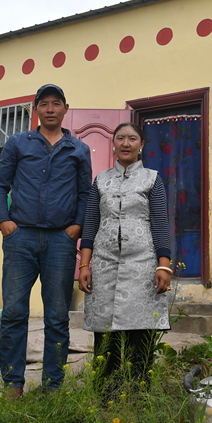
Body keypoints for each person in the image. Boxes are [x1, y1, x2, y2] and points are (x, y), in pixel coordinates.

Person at [0, 84, 92, 396]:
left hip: (61, 242)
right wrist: (3, 221)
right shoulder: (18, 143)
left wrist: (76, 226)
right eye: (44, 104)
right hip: (20, 238)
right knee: (14, 313)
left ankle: (53, 386)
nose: (50, 109)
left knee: (57, 316)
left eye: (56, 103)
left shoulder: (79, 149)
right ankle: (13, 384)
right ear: (36, 109)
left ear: (65, 109)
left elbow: (85, 193)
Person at [77, 122, 172, 389]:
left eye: (132, 138)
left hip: (142, 263)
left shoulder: (153, 179)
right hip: (104, 263)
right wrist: (84, 265)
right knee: (104, 331)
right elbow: (91, 223)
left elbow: (160, 223)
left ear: (141, 145)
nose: (126, 143)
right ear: (113, 144)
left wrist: (163, 266)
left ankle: (139, 392)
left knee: (139, 329)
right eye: (120, 138)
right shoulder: (101, 180)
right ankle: (105, 392)